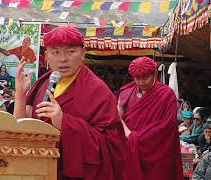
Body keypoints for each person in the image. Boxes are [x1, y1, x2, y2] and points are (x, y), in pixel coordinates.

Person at [13, 26, 126, 180]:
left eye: (70, 52)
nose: (62, 59)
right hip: (40, 168)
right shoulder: (43, 83)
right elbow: (22, 128)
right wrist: (20, 95)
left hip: (75, 173)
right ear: (46, 56)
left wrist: (64, 122)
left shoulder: (98, 90)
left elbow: (112, 146)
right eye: (55, 52)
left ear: (83, 54)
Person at [118, 56, 183, 180]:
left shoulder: (166, 94)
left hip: (156, 152)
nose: (141, 82)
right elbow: (117, 117)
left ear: (154, 73)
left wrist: (133, 136)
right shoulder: (127, 92)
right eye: (137, 78)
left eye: (145, 78)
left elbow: (167, 126)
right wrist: (127, 133)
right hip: (130, 150)